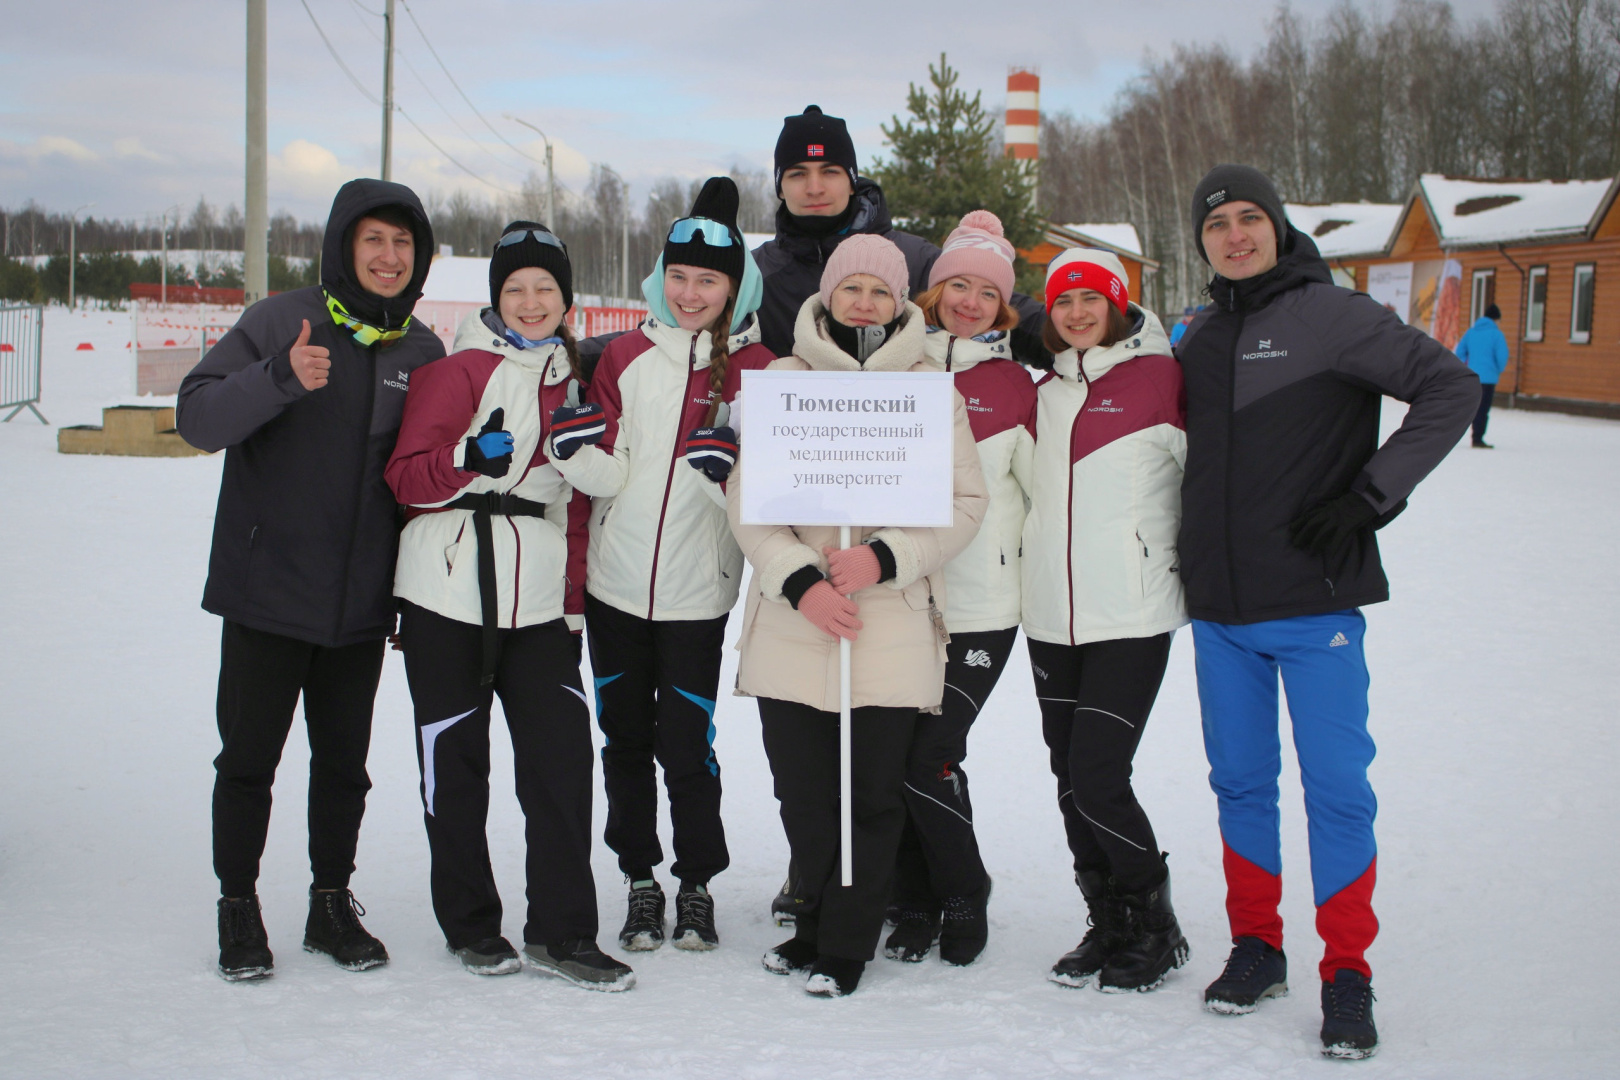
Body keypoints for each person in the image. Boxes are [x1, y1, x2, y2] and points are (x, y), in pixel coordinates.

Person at [1177, 164, 1477, 1058]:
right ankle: (1257, 947)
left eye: (1249, 219)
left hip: (1315, 607)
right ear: (1201, 243)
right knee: (1239, 784)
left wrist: (1372, 494)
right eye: (1217, 225)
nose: (1235, 236)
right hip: (1222, 615)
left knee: (1337, 792)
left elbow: (1450, 390)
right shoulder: (1197, 338)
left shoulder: (1332, 315)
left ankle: (1347, 972)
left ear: (1277, 226)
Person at [176, 178, 445, 981]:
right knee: (249, 760)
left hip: (359, 604)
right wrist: (281, 377)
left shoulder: (422, 351)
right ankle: (237, 907)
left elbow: (418, 477)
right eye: (373, 241)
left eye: (403, 243)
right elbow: (198, 418)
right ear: (342, 247)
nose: (389, 257)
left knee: (343, 766)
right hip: (269, 591)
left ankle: (331, 904)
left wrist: (410, 590)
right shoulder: (279, 321)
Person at [728, 234, 989, 997]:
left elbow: (966, 504)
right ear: (828, 297)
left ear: (902, 302)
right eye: (853, 289)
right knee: (804, 791)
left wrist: (885, 556)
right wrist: (799, 578)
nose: (866, 303)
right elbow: (746, 501)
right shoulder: (783, 379)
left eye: (881, 291)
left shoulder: (932, 390)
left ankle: (843, 945)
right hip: (795, 621)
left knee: (870, 795)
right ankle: (811, 921)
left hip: (891, 620)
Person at [383, 221, 634, 991]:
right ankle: (470, 925)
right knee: (455, 764)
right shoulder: (459, 371)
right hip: (446, 589)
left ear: (566, 301)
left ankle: (564, 932)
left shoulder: (578, 380)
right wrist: (467, 459)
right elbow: (405, 478)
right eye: (516, 289)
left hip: (538, 602)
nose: (530, 302)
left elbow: (583, 505)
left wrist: (573, 606)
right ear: (496, 297)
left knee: (561, 765)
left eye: (545, 290)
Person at [543, 177, 774, 955]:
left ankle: (697, 881)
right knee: (624, 738)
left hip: (694, 597)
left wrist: (723, 480)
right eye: (678, 275)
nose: (690, 292)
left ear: (735, 286)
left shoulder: (763, 371)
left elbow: (765, 510)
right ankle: (641, 879)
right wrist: (572, 455)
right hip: (615, 590)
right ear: (658, 277)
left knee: (687, 743)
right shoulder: (626, 356)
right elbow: (615, 475)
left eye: (708, 279)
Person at [1022, 248, 1191, 995]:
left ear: (1119, 305)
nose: (1079, 313)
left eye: (1093, 299)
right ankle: (1108, 919)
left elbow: (1213, 475)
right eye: (1064, 302)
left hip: (1132, 608)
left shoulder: (1163, 377)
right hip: (1050, 615)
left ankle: (1155, 923)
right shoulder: (1045, 392)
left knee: (1097, 772)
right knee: (1069, 777)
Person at [882, 210, 1035, 968]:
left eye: (986, 291)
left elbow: (1043, 503)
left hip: (980, 609)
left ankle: (963, 891)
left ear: (1003, 306)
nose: (970, 302)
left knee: (929, 756)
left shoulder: (1015, 387)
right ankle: (911, 897)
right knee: (895, 754)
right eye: (957, 285)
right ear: (932, 290)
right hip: (902, 601)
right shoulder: (895, 370)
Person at [1453, 302, 1509, 448]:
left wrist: (1466, 367)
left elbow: (1460, 352)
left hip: (1472, 376)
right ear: (1496, 319)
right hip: (1488, 378)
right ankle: (1477, 438)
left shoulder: (1471, 332)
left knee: (1472, 407)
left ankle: (1460, 434)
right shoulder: (1497, 334)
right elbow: (1502, 356)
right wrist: (1497, 369)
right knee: (1483, 409)